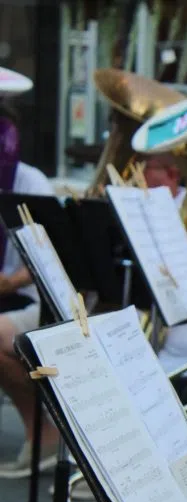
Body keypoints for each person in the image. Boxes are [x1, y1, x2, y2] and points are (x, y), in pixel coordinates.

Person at [0, 98, 59, 479]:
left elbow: (44, 262)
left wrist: (6, 282)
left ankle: (44, 431)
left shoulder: (31, 182)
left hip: (31, 299)